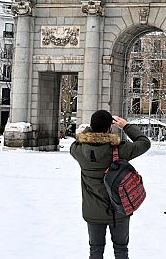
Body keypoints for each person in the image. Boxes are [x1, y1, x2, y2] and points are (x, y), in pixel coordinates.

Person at [70, 110, 150, 259]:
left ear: (91, 126)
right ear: (109, 127)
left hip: (92, 212)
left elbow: (77, 141)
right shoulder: (120, 149)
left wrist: (92, 130)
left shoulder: (78, 150)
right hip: (119, 210)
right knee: (121, 250)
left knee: (95, 250)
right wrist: (126, 126)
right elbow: (144, 143)